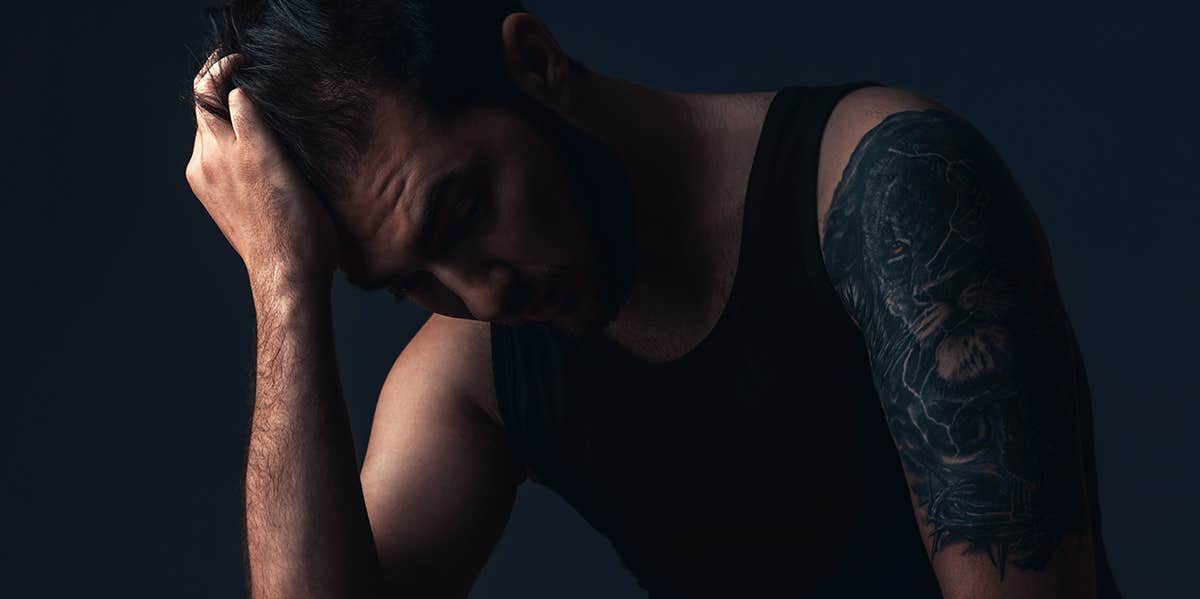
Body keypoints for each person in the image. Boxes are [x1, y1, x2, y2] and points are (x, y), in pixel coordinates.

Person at [184, 1, 1122, 597]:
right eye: (411, 284)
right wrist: (282, 283)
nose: (483, 289)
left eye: (465, 210)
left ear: (537, 62)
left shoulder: (887, 195)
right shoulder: (475, 372)